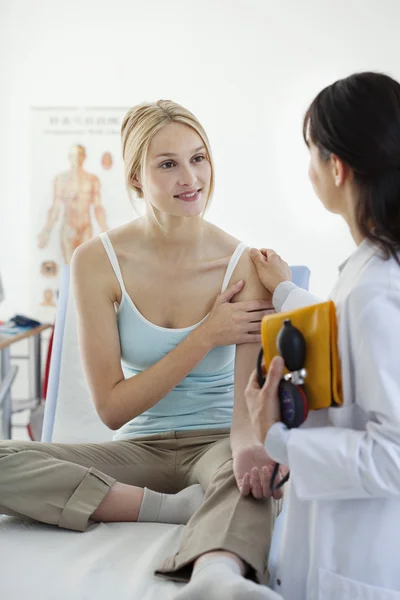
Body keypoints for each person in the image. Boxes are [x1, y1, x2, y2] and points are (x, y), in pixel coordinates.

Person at [0, 100, 284, 600]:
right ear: (135, 178)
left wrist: (251, 455)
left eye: (199, 158)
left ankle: (216, 573)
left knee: (254, 478)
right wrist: (204, 336)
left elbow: (245, 415)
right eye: (168, 164)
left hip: (218, 440)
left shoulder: (242, 265)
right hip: (140, 448)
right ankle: (166, 508)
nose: (190, 177)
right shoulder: (95, 262)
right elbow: (112, 409)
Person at [245, 72, 400, 600]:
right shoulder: (376, 271)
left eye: (311, 153)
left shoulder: (377, 290)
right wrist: (286, 292)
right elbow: (349, 335)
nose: (309, 170)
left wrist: (278, 437)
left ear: (337, 166)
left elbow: (394, 455)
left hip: (357, 569)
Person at [37, 144, 109, 263]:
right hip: (68, 227)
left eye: (79, 155)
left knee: (85, 265)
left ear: (84, 157)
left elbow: (98, 207)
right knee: (70, 266)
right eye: (73, 155)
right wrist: (46, 231)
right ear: (69, 157)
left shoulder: (92, 179)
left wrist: (105, 229)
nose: (76, 158)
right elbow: (56, 207)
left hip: (85, 227)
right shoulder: (60, 179)